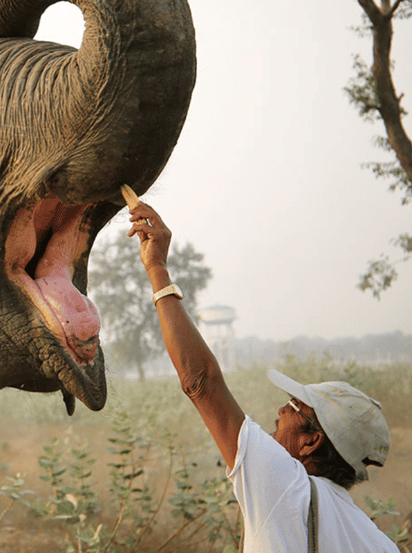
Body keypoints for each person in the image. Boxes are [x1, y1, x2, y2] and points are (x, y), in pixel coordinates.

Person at [126, 200, 399, 553]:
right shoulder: (377, 541)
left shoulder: (283, 484)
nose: (280, 411)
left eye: (293, 405)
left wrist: (158, 269)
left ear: (311, 441)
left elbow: (201, 383)